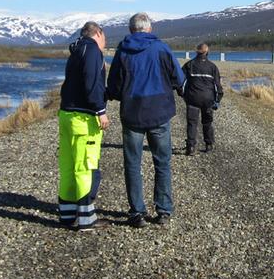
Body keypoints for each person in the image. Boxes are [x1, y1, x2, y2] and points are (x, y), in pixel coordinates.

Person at [106, 13, 185, 227]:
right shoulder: (162, 48)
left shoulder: (122, 51)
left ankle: (137, 213)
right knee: (162, 162)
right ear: (149, 28)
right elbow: (179, 79)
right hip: (159, 113)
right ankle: (163, 212)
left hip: (132, 113)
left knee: (132, 163)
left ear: (131, 30)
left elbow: (113, 86)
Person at [57, 21, 110, 231]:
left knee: (68, 166)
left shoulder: (76, 50)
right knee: (85, 166)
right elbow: (91, 82)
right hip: (83, 118)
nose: (105, 43)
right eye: (104, 38)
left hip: (66, 114)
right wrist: (100, 110)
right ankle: (87, 218)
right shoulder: (92, 51)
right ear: (97, 33)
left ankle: (67, 214)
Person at [180, 42, 223, 155]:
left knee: (192, 123)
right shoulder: (212, 67)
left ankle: (191, 147)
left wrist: (182, 94)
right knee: (207, 122)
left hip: (192, 98)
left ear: (197, 52)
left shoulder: (189, 65)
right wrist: (217, 100)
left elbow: (180, 82)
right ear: (207, 52)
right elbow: (218, 86)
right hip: (208, 99)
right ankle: (209, 144)